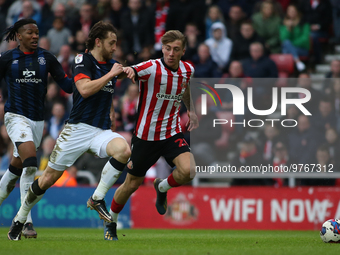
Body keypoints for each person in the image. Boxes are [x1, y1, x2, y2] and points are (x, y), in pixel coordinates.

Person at [7, 21, 132, 241]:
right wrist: (112, 75)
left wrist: (130, 71)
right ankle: (20, 217)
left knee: (124, 150)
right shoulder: (82, 60)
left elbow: (114, 84)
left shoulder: (112, 65)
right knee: (46, 180)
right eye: (111, 43)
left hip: (100, 131)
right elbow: (83, 90)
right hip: (76, 131)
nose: (115, 48)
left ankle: (97, 198)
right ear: (98, 41)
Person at [101, 30, 199, 241]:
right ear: (162, 49)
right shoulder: (151, 67)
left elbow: (185, 87)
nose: (171, 53)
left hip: (171, 133)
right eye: (167, 48)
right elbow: (130, 71)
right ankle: (111, 221)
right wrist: (124, 70)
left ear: (183, 51)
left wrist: (190, 109)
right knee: (131, 185)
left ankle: (161, 187)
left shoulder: (188, 69)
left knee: (189, 170)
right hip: (145, 137)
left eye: (175, 49)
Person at [0, 18, 73, 239]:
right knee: (31, 163)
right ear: (19, 36)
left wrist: (83, 72)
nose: (34, 36)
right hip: (15, 117)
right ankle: (26, 222)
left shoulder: (46, 58)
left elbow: (67, 85)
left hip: (37, 122)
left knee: (15, 169)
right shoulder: (7, 58)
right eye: (29, 33)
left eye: (37, 32)